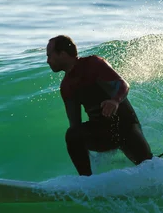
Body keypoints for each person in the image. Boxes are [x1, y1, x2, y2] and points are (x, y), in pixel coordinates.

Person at [46, 35, 153, 176]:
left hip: (125, 128)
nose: (48, 61)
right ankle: (87, 181)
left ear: (63, 54)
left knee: (150, 168)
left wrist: (115, 101)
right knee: (72, 135)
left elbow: (123, 84)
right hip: (103, 133)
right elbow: (75, 125)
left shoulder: (93, 64)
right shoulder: (66, 86)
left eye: (50, 56)